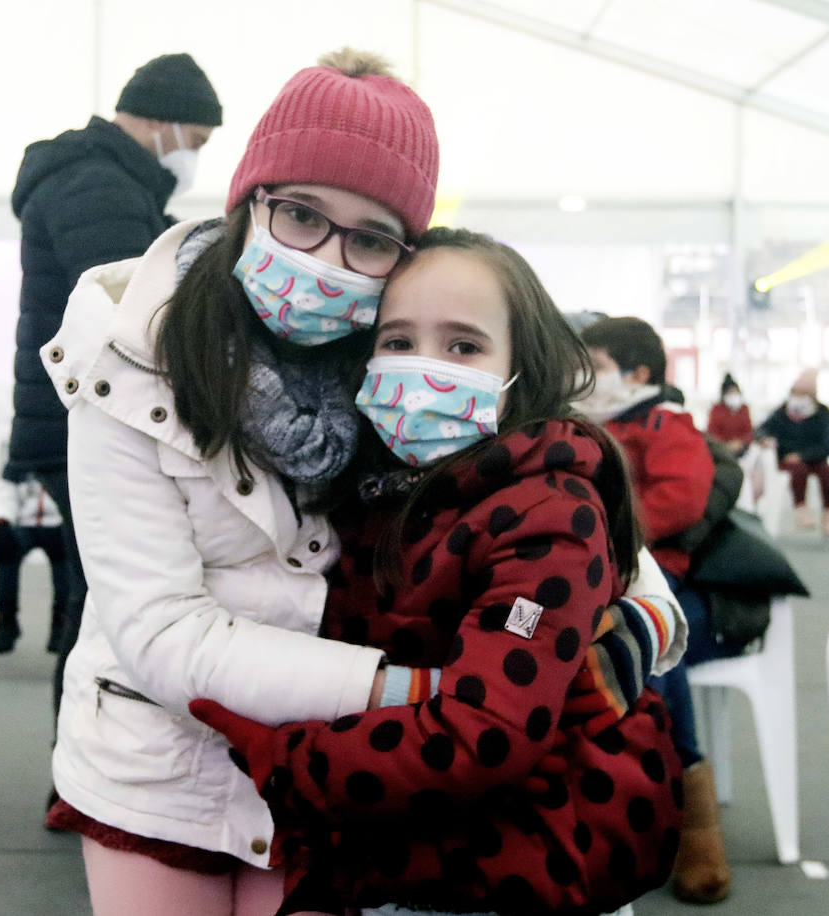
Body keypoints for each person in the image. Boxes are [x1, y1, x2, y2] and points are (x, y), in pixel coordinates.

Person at [42, 51, 684, 916]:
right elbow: (161, 631)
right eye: (302, 214)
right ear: (250, 203)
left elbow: (578, 526)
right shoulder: (131, 358)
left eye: (371, 237)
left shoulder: (399, 364)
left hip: (344, 776)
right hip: (169, 758)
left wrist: (623, 633)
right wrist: (434, 694)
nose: (327, 259)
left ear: (402, 254)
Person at [189, 228, 685, 916]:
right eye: (397, 341)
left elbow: (484, 734)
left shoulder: (547, 511)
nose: (425, 367)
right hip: (403, 834)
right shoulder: (380, 486)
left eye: (464, 347)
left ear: (523, 366)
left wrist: (287, 758)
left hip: (518, 859)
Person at [8, 52, 222, 720]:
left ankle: (81, 749)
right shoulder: (97, 187)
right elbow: (138, 311)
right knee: (106, 602)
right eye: (196, 140)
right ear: (164, 122)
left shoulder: (104, 180)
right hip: (84, 418)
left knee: (99, 595)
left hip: (70, 415)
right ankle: (80, 751)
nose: (193, 157)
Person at [577, 316, 732, 904]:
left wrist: (606, 529)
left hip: (654, 575)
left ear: (638, 373)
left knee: (654, 656)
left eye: (597, 367)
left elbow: (682, 500)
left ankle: (694, 823)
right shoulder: (588, 424)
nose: (585, 379)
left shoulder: (666, 423)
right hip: (594, 577)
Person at [0, 475, 68, 655]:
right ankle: (6, 619)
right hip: (23, 522)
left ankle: (62, 622)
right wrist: (1, 518)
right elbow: (5, 492)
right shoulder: (19, 464)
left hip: (59, 522)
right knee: (4, 545)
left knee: (66, 555)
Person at [756, 369, 829, 536]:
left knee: (828, 476)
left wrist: (803, 456)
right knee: (798, 471)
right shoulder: (782, 413)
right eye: (796, 394)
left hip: (815, 458)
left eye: (803, 395)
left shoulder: (823, 413)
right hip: (788, 459)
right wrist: (766, 439)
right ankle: (801, 509)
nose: (798, 399)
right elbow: (761, 430)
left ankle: (828, 515)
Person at [707, 373, 752, 458]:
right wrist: (726, 444)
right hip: (722, 449)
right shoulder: (716, 410)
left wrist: (741, 442)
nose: (734, 396)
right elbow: (712, 432)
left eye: (736, 393)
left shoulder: (744, 409)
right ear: (724, 395)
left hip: (742, 448)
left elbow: (748, 431)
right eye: (731, 393)